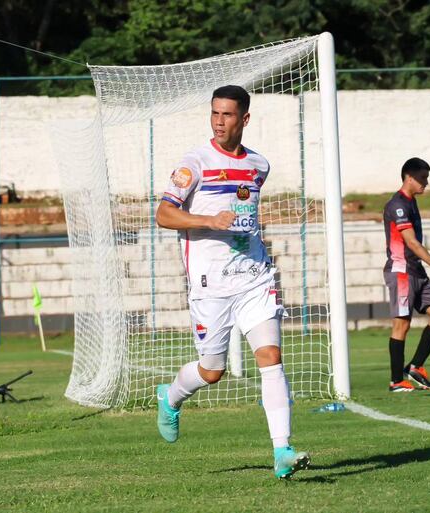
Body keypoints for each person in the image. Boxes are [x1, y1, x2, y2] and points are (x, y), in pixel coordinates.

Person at [155, 85, 309, 479]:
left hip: (254, 277)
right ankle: (170, 397)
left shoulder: (259, 165)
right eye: (214, 114)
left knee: (270, 358)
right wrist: (208, 221)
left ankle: (282, 451)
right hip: (210, 285)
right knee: (212, 371)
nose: (219, 121)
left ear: (245, 119)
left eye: (227, 115)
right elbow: (164, 214)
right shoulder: (195, 162)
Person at [383, 157, 430, 393]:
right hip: (402, 272)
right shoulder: (398, 205)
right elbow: (412, 243)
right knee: (401, 325)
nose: (426, 182)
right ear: (409, 177)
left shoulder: (411, 202)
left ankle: (415, 367)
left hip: (417, 271)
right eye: (423, 177)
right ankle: (396, 381)